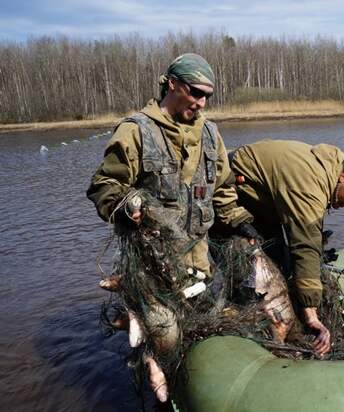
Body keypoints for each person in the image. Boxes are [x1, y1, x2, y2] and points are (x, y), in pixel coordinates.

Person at [87, 53, 255, 402]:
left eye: (208, 95)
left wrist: (241, 224)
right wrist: (125, 206)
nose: (202, 102)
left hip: (199, 267)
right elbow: (105, 185)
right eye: (195, 92)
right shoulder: (136, 130)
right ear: (173, 85)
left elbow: (222, 190)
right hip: (152, 270)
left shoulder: (210, 133)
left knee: (203, 339)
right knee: (167, 340)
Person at [227, 139, 344, 355]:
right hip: (229, 187)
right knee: (269, 261)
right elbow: (306, 246)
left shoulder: (327, 169)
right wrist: (312, 316)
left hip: (262, 202)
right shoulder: (311, 184)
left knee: (281, 256)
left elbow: (308, 233)